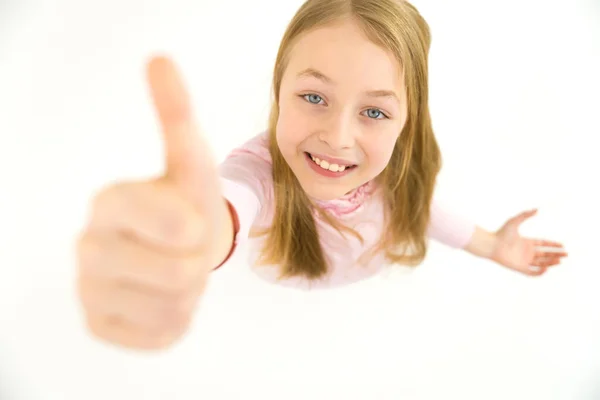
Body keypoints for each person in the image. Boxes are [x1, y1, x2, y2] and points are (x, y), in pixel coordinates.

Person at [76, 0, 568, 350]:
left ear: (406, 120)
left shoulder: (396, 169)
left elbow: (425, 211)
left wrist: (489, 245)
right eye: (314, 98)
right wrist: (193, 237)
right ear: (279, 90)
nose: (337, 137)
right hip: (290, 305)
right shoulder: (259, 173)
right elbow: (228, 206)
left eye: (374, 112)